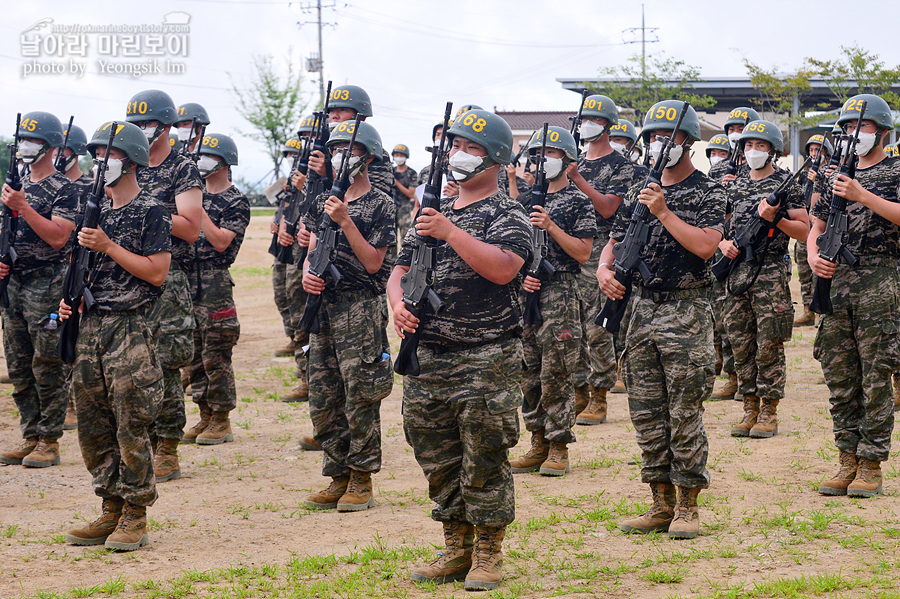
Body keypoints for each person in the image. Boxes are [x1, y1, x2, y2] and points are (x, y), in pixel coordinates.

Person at [391, 109, 530, 591]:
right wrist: (398, 306)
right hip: (427, 355)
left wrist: (450, 232)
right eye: (455, 146)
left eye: (470, 148)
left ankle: (488, 551)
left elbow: (505, 268)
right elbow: (400, 268)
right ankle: (456, 544)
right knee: (437, 454)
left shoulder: (508, 214)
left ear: (493, 158)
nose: (458, 155)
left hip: (485, 358)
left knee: (485, 454)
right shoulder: (433, 211)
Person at [598, 101, 724, 539]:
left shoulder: (709, 192)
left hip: (686, 311)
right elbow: (615, 239)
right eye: (651, 138)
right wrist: (604, 271)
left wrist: (664, 212)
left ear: (687, 141)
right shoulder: (640, 187)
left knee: (684, 409)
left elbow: (707, 246)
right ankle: (659, 502)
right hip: (640, 312)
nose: (657, 145)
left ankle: (688, 505)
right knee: (647, 411)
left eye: (665, 138)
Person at [62, 121, 171, 551]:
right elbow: (77, 268)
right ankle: (109, 505)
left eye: (109, 156)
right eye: (97, 156)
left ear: (130, 161)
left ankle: (135, 512)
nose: (99, 163)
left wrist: (108, 246)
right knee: (92, 422)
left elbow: (157, 272)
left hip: (130, 327)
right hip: (90, 327)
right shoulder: (93, 210)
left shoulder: (151, 210)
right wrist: (71, 301)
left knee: (131, 420)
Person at [300, 120, 395, 512]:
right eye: (336, 148)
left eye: (349, 149)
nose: (341, 156)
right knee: (323, 394)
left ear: (367, 158)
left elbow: (375, 263)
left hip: (360, 307)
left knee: (360, 395)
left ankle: (361, 478)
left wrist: (346, 221)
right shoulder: (322, 198)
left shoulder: (381, 204)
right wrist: (308, 270)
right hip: (325, 306)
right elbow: (312, 247)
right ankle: (337, 473)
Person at [810, 94, 900, 498]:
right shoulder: (830, 174)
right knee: (840, 374)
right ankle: (847, 457)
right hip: (835, 281)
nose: (853, 135)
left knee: (875, 374)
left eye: (861, 127)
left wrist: (863, 194)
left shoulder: (895, 169)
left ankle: (871, 464)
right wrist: (814, 256)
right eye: (847, 128)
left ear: (880, 131)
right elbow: (815, 226)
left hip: (878, 280)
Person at [125, 89, 203, 482]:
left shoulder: (182, 168)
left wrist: (144, 208)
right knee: (130, 362)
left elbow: (191, 228)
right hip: (124, 274)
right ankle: (138, 442)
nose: (140, 130)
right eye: (134, 123)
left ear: (167, 127)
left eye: (148, 123)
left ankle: (168, 445)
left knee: (168, 363)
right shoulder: (123, 162)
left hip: (168, 279)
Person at [509, 126, 594, 477]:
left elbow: (584, 253)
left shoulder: (578, 201)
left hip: (561, 289)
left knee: (557, 368)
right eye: (538, 153)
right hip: (527, 291)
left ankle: (559, 445)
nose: (544, 160)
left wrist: (552, 225)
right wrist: (521, 277)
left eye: (552, 153)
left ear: (567, 159)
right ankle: (537, 440)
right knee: (527, 368)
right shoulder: (524, 200)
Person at [719, 120, 808, 440]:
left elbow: (805, 229)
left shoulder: (785, 184)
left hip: (769, 271)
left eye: (760, 146)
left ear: (772, 150)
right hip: (736, 272)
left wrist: (777, 218)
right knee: (740, 342)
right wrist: (721, 243)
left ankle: (769, 411)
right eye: (748, 145)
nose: (753, 151)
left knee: (768, 341)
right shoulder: (734, 184)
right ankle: (749, 407)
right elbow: (720, 224)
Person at [0, 111, 78, 468]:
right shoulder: (14, 184)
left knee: (46, 363)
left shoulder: (65, 188)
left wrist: (23, 206)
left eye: (31, 140)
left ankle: (49, 439)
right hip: (14, 284)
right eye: (21, 140)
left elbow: (60, 237)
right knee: (18, 366)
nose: (23, 146)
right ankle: (30, 434)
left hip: (47, 283)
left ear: (49, 146)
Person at [568, 94, 634, 424]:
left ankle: (599, 393)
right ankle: (578, 388)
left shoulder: (622, 166)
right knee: (572, 327)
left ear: (607, 124)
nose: (586, 126)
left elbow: (609, 207)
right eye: (583, 120)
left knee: (597, 328)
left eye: (592, 120)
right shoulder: (571, 159)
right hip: (568, 250)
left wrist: (578, 178)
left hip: (600, 251)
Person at [182, 134, 250, 445]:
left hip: (215, 283)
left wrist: (199, 212)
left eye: (207, 156)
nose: (200, 161)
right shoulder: (194, 193)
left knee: (215, 353)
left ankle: (221, 419)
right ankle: (204, 414)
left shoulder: (235, 200)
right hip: (188, 280)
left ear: (222, 162)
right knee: (193, 353)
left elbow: (222, 241)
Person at [793, 134, 833, 327]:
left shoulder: (829, 172)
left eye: (818, 150)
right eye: (811, 149)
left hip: (820, 226)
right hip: (804, 227)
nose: (814, 153)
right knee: (802, 269)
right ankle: (807, 309)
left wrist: (819, 179)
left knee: (818, 270)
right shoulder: (804, 173)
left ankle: (818, 312)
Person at [391, 143, 418, 248]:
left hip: (405, 208)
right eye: (396, 154)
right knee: (391, 239)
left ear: (406, 156)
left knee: (405, 237)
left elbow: (411, 194)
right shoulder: (391, 171)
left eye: (401, 155)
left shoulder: (411, 173)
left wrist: (397, 183)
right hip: (391, 208)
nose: (398, 157)